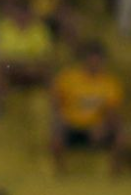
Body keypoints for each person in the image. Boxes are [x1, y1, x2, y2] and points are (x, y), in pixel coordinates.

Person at [50, 42, 126, 175]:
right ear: (85, 60)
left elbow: (112, 111)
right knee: (57, 131)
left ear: (103, 61)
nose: (94, 64)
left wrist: (105, 125)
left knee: (121, 135)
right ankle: (61, 173)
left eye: (97, 61)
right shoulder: (69, 78)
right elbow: (56, 103)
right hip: (72, 125)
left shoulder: (110, 82)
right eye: (91, 60)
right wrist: (61, 120)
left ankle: (114, 174)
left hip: (97, 127)